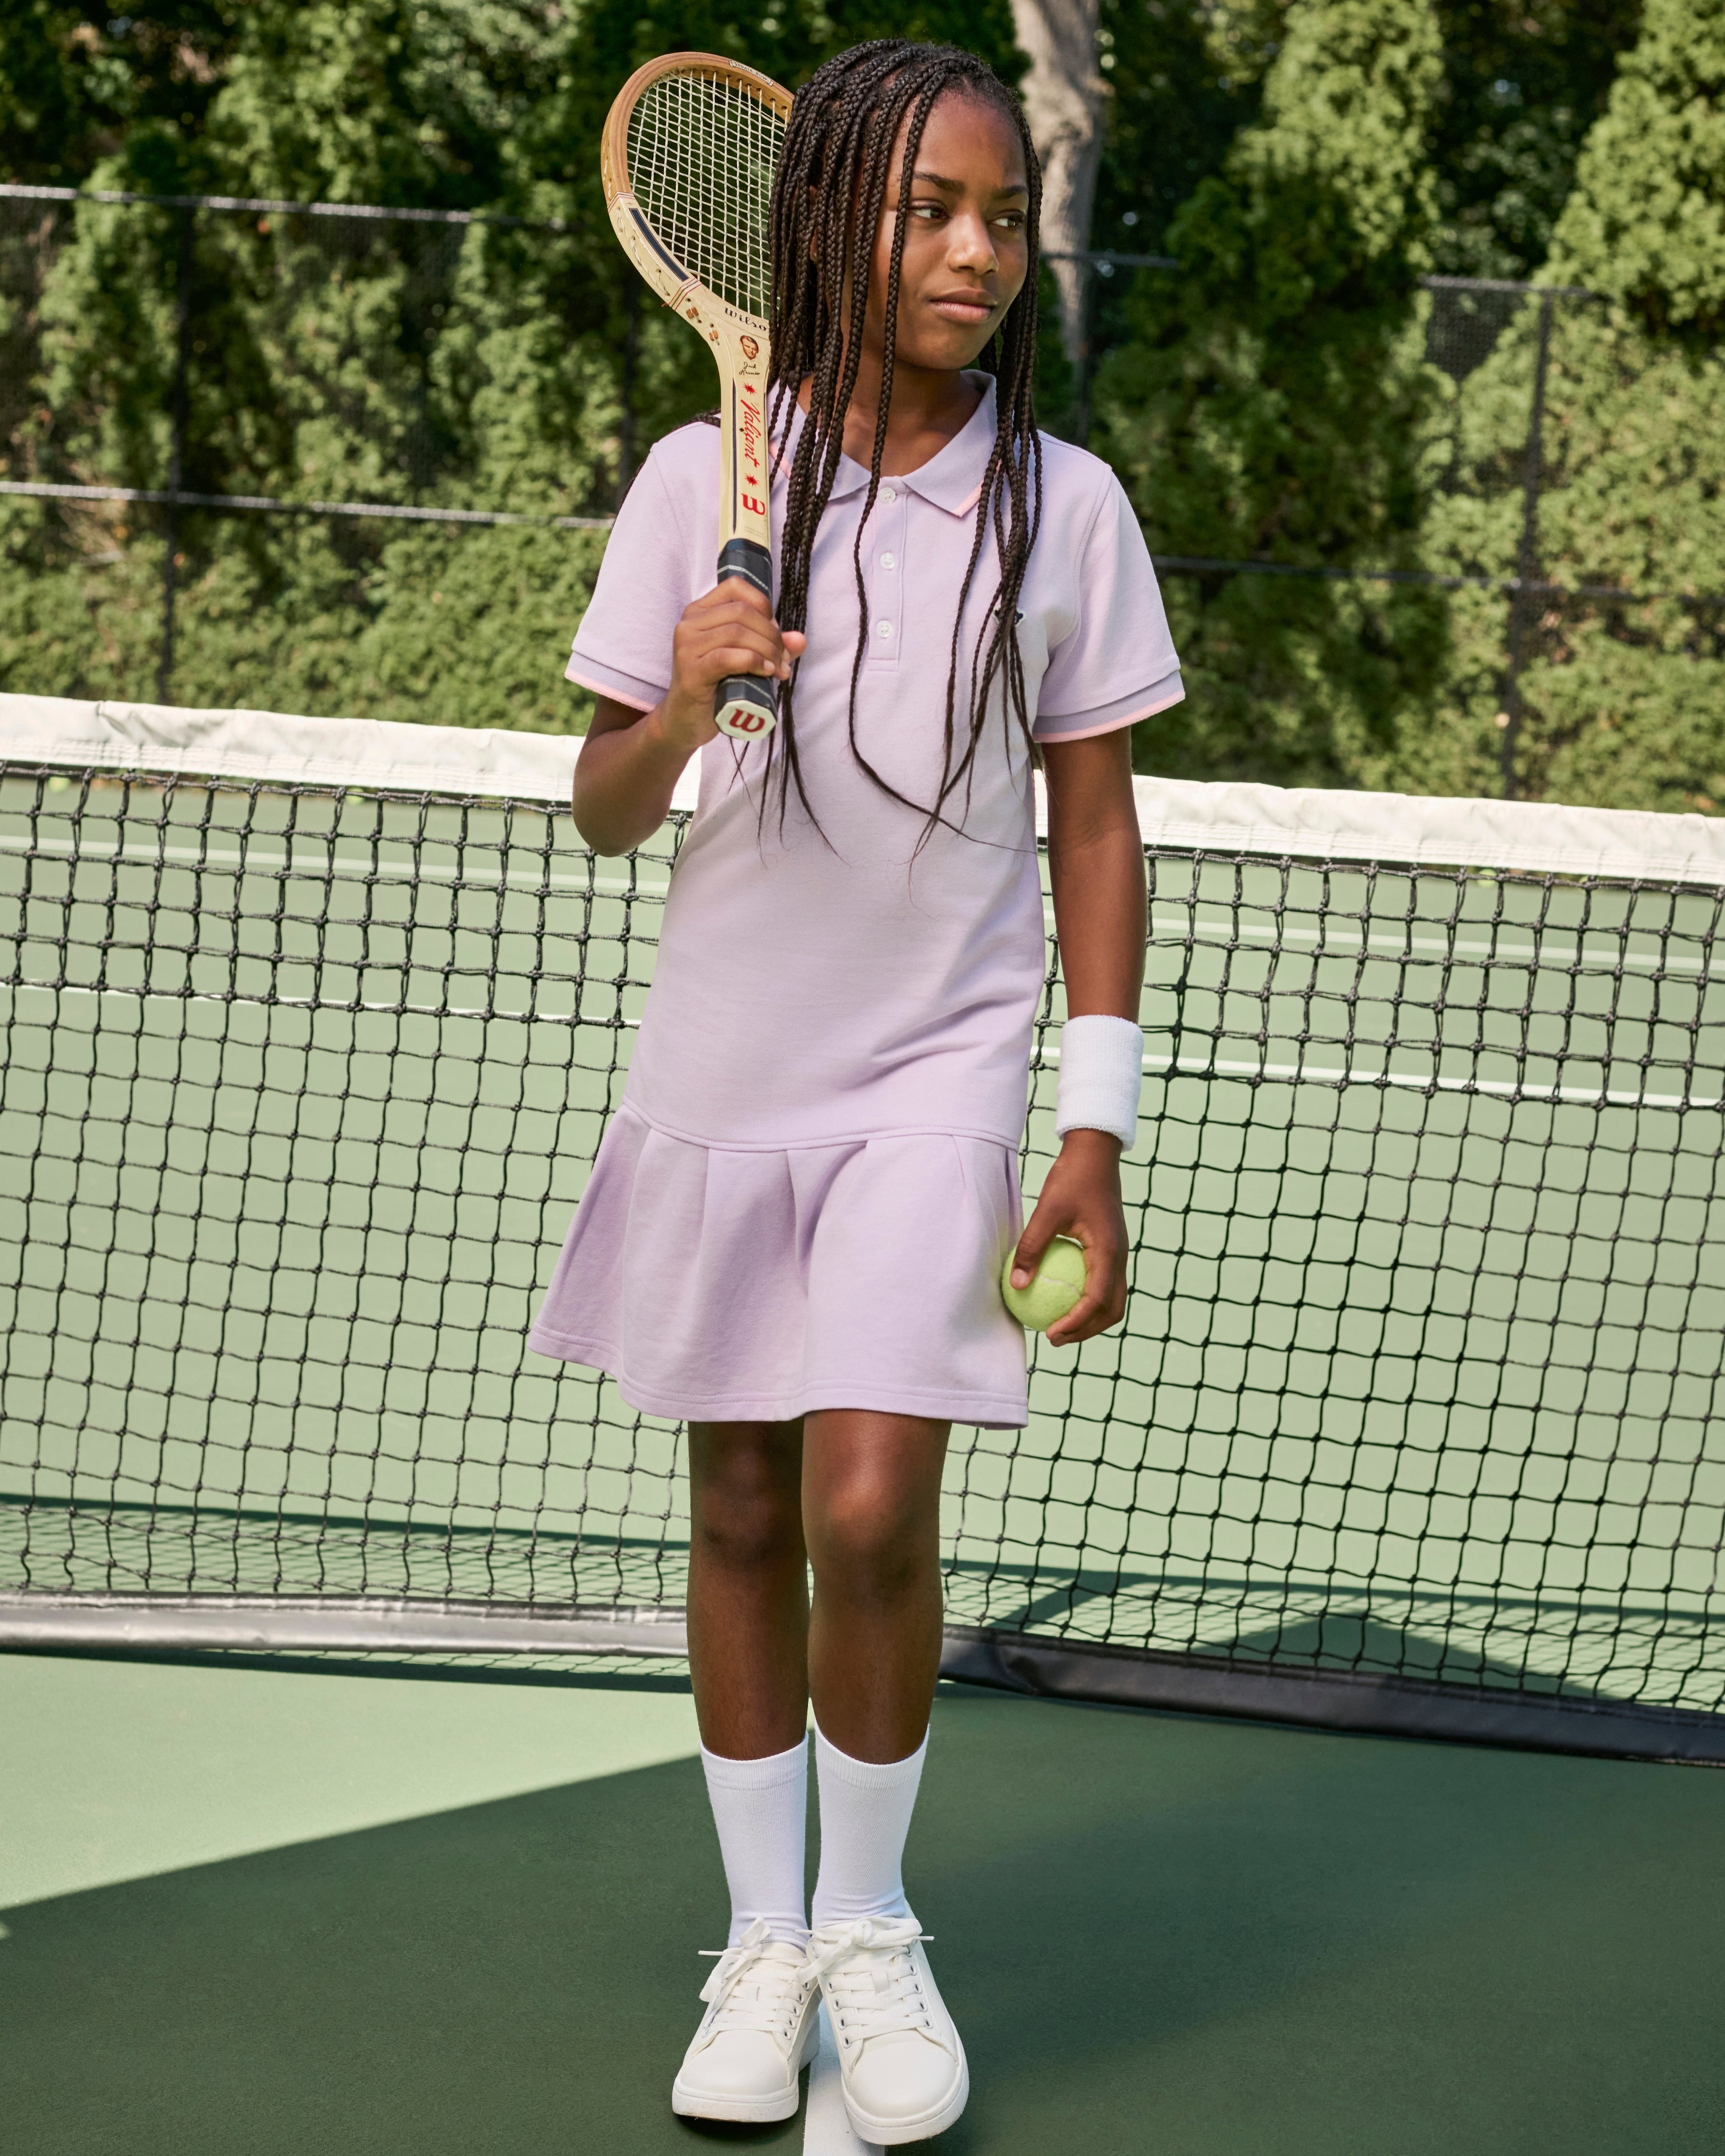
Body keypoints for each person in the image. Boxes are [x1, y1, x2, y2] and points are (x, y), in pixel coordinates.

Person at [530, 37, 1180, 2146]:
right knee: (738, 1504)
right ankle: (763, 1947)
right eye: (931, 211)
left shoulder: (1068, 507)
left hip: (940, 1072)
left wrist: (1094, 1125)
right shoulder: (693, 481)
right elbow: (605, 808)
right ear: (825, 225)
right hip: (729, 1061)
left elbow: (1098, 824)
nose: (981, 252)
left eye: (1005, 215)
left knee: (871, 1502)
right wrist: (685, 694)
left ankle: (874, 1928)